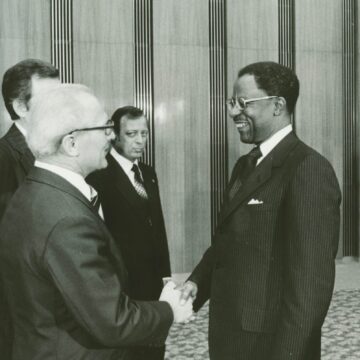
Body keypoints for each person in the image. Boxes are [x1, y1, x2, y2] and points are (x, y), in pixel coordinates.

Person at [0, 84, 192, 360]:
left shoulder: (33, 192)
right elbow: (113, 322)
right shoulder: (66, 219)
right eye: (104, 128)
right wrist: (170, 310)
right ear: (72, 143)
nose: (111, 137)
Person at [180, 61, 341, 360]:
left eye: (243, 103)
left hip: (270, 345)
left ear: (278, 105)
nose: (232, 113)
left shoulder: (308, 169)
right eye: (232, 102)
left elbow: (310, 285)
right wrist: (196, 283)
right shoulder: (245, 165)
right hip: (232, 336)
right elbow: (228, 241)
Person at [87, 106, 171, 360]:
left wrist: (166, 274)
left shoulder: (147, 172)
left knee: (154, 344)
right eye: (132, 134)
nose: (140, 141)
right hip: (123, 281)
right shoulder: (99, 176)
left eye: (144, 134)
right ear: (115, 135)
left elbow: (157, 226)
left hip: (152, 279)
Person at [0, 58, 60, 360]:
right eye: (49, 100)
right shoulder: (3, 158)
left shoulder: (54, 150)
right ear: (20, 107)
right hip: (22, 314)